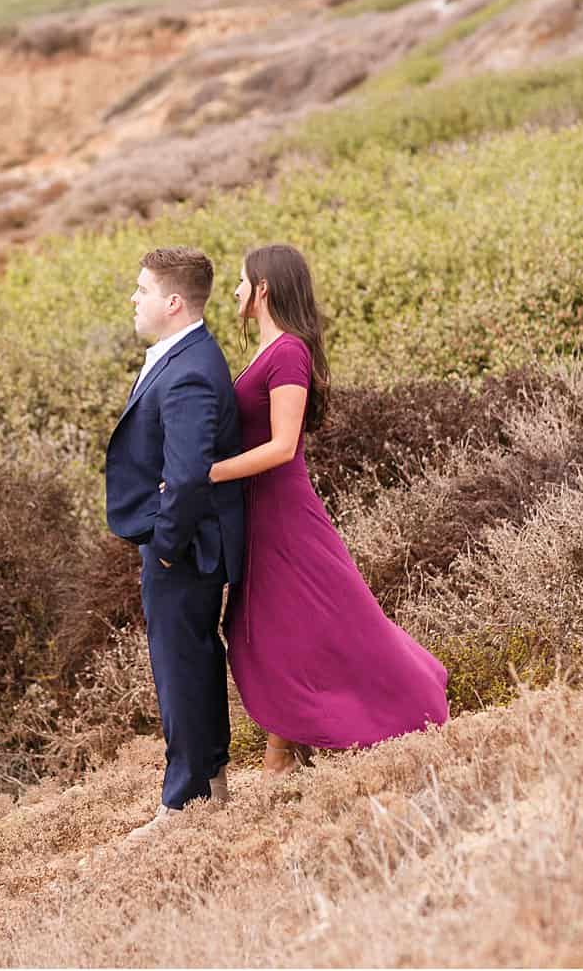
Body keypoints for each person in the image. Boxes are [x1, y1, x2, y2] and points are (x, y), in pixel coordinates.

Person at [211, 243, 448, 773]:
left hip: (284, 513)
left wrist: (208, 473)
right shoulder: (264, 350)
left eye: (241, 280)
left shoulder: (289, 351)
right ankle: (287, 745)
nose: (235, 289)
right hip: (259, 512)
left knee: (319, 622)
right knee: (277, 629)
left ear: (264, 287)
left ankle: (409, 703)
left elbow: (282, 445)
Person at [104, 246, 246, 838]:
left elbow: (189, 473)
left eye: (142, 289)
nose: (133, 300)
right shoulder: (181, 353)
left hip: (185, 549)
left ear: (173, 301)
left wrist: (164, 544)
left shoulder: (188, 370)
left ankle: (183, 801)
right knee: (195, 658)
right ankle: (211, 782)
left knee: (179, 665)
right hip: (185, 543)